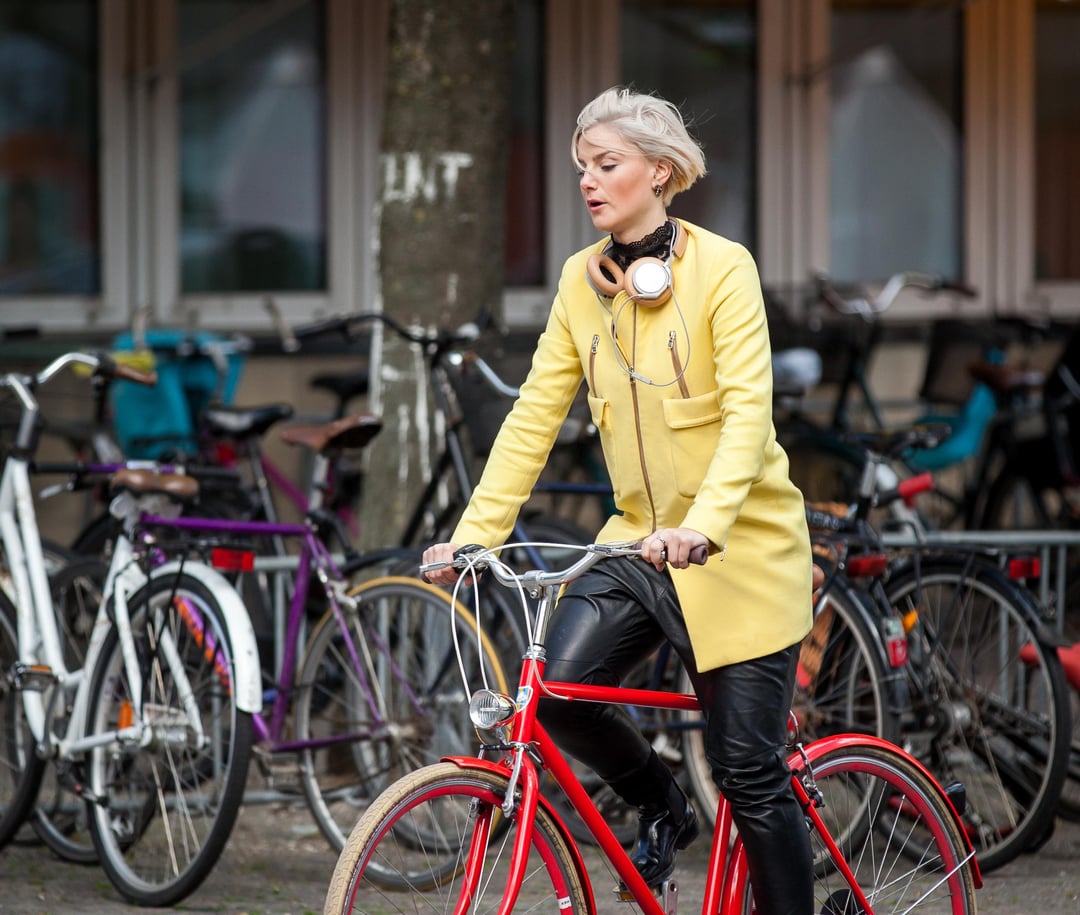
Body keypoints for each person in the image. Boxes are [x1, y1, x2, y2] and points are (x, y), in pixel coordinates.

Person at [422, 85, 814, 915]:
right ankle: (663, 802)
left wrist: (704, 524)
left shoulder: (725, 269)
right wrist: (473, 534)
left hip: (740, 549)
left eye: (607, 164)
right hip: (637, 542)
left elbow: (749, 418)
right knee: (558, 691)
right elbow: (535, 413)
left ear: (660, 172)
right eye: (581, 167)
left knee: (748, 769)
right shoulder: (580, 281)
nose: (588, 181)